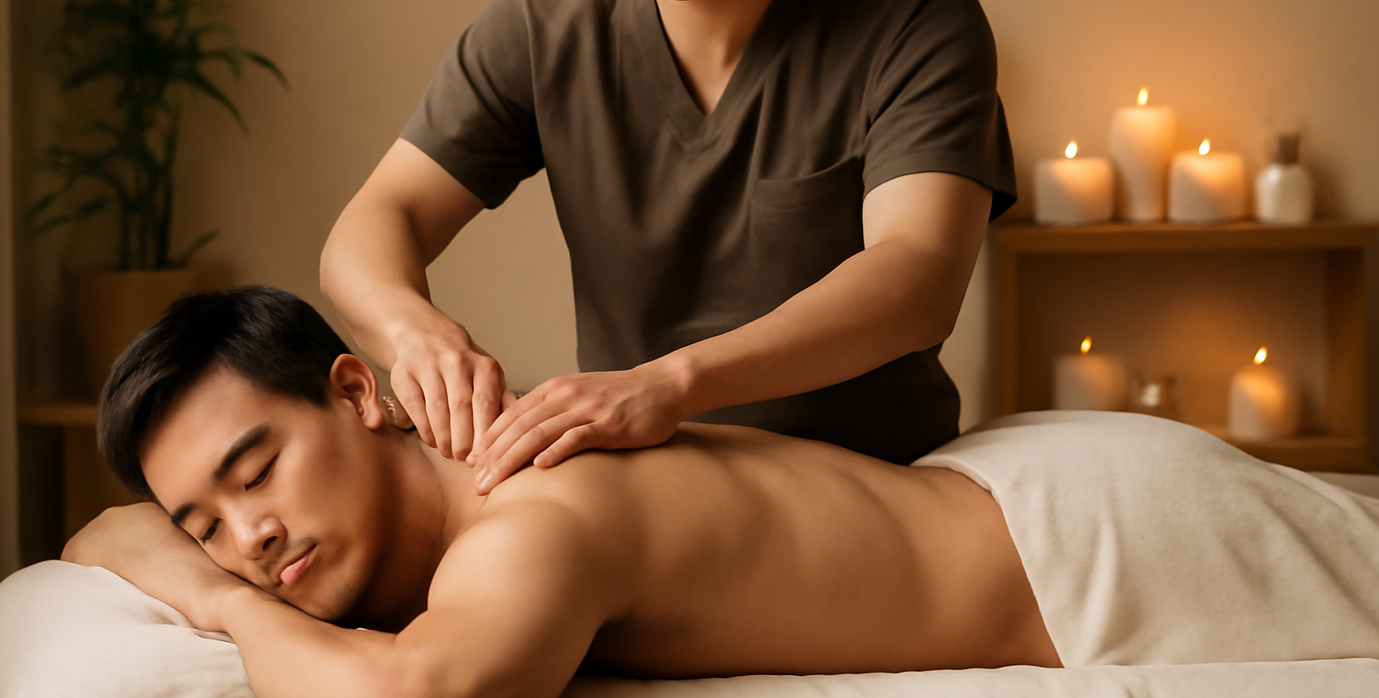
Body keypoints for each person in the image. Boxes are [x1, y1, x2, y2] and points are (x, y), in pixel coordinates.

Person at [319, 0, 1016, 496]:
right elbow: (370, 226)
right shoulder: (545, 31)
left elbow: (917, 278)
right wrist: (418, 335)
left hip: (869, 499)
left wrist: (672, 384)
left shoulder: (916, 20)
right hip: (645, 504)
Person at [68, 287, 1379, 698]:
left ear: (359, 396)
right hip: (1022, 501)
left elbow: (419, 697)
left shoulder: (534, 512)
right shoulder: (458, 499)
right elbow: (99, 526)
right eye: (206, 523)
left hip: (1103, 552)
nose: (251, 539)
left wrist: (216, 603)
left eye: (256, 474)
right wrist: (179, 549)